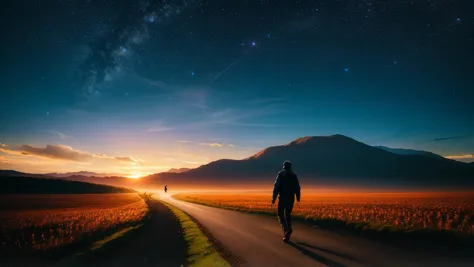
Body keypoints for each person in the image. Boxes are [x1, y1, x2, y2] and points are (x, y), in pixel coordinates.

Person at [272, 160, 301, 243]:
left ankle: (286, 230)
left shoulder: (280, 174)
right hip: (291, 198)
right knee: (288, 214)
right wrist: (298, 198)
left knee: (280, 214)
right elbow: (298, 187)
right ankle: (288, 230)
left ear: (283, 167)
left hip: (282, 198)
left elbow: (276, 186)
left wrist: (273, 198)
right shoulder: (294, 175)